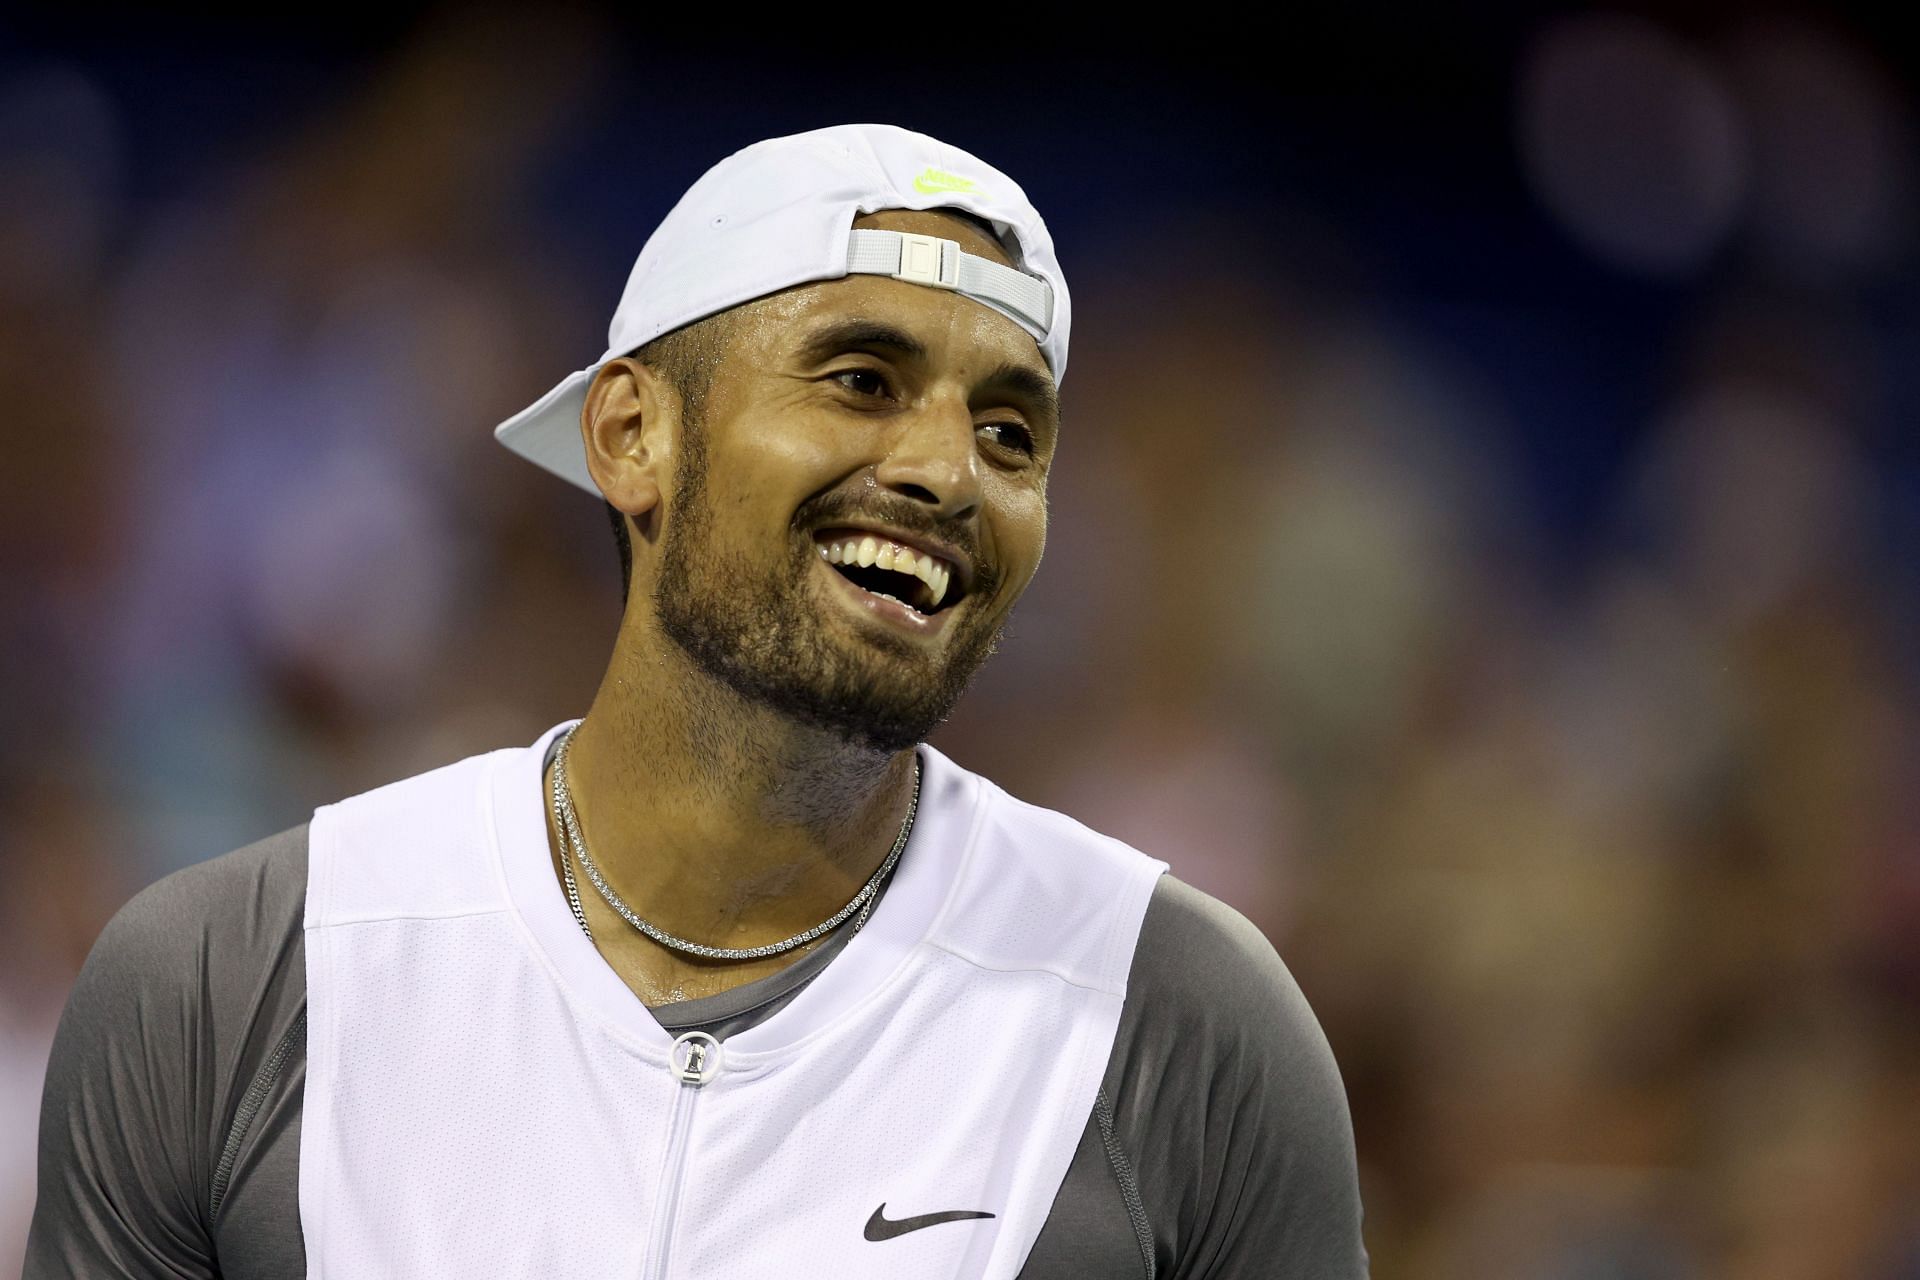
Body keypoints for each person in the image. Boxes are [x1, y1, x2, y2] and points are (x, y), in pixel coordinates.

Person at [25, 123, 1369, 1278]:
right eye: (862, 382)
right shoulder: (230, 978)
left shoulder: (1186, 1023)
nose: (951, 471)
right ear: (630, 435)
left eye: (1012, 432)